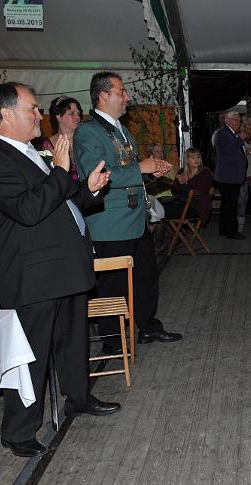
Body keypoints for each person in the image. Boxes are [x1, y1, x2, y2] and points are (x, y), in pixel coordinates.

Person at [0, 82, 119, 458]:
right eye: (32, 109)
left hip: (63, 264)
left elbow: (60, 201)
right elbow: (29, 210)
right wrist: (60, 170)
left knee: (73, 340)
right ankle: (18, 431)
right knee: (31, 353)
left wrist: (89, 189)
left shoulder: (31, 151)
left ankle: (79, 397)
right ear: (6, 114)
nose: (39, 115)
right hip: (33, 273)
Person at [74, 72, 183, 350]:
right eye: (121, 91)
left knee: (146, 278)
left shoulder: (122, 131)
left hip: (135, 219)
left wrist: (150, 171)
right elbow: (97, 174)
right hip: (110, 223)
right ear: (103, 96)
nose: (127, 97)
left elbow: (128, 170)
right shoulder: (88, 132)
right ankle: (112, 340)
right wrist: (140, 168)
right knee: (113, 285)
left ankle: (148, 327)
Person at [213, 110, 248, 239]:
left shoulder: (231, 133)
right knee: (231, 205)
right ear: (227, 121)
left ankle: (224, 229)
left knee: (227, 204)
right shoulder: (222, 133)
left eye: (239, 120)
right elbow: (228, 150)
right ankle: (232, 231)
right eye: (236, 120)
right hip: (228, 177)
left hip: (231, 176)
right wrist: (240, 139)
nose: (239, 122)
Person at [39, 95, 82, 182]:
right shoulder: (45, 145)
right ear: (58, 116)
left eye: (78, 114)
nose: (77, 117)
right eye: (71, 113)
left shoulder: (85, 140)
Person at [164, 147, 213, 222]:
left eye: (198, 157)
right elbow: (174, 192)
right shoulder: (182, 171)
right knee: (157, 205)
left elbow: (202, 189)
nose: (196, 159)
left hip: (196, 207)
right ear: (187, 160)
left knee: (162, 210)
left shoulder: (205, 172)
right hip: (181, 202)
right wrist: (179, 183)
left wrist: (188, 180)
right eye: (193, 157)